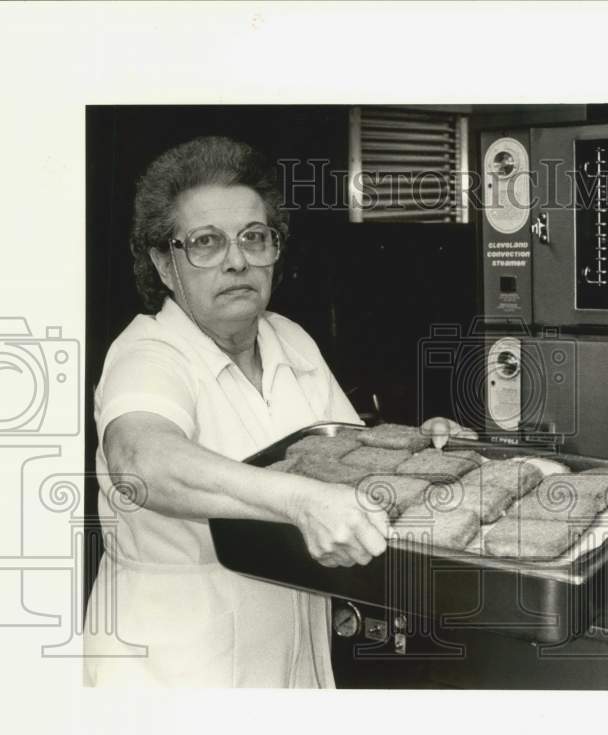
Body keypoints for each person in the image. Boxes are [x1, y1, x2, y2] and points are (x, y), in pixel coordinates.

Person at [84, 136, 468, 687]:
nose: (237, 260)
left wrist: (422, 446)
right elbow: (141, 462)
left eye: (254, 238)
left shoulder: (288, 339)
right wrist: (301, 501)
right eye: (206, 243)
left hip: (294, 648)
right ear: (165, 265)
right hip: (172, 669)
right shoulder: (147, 353)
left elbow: (355, 466)